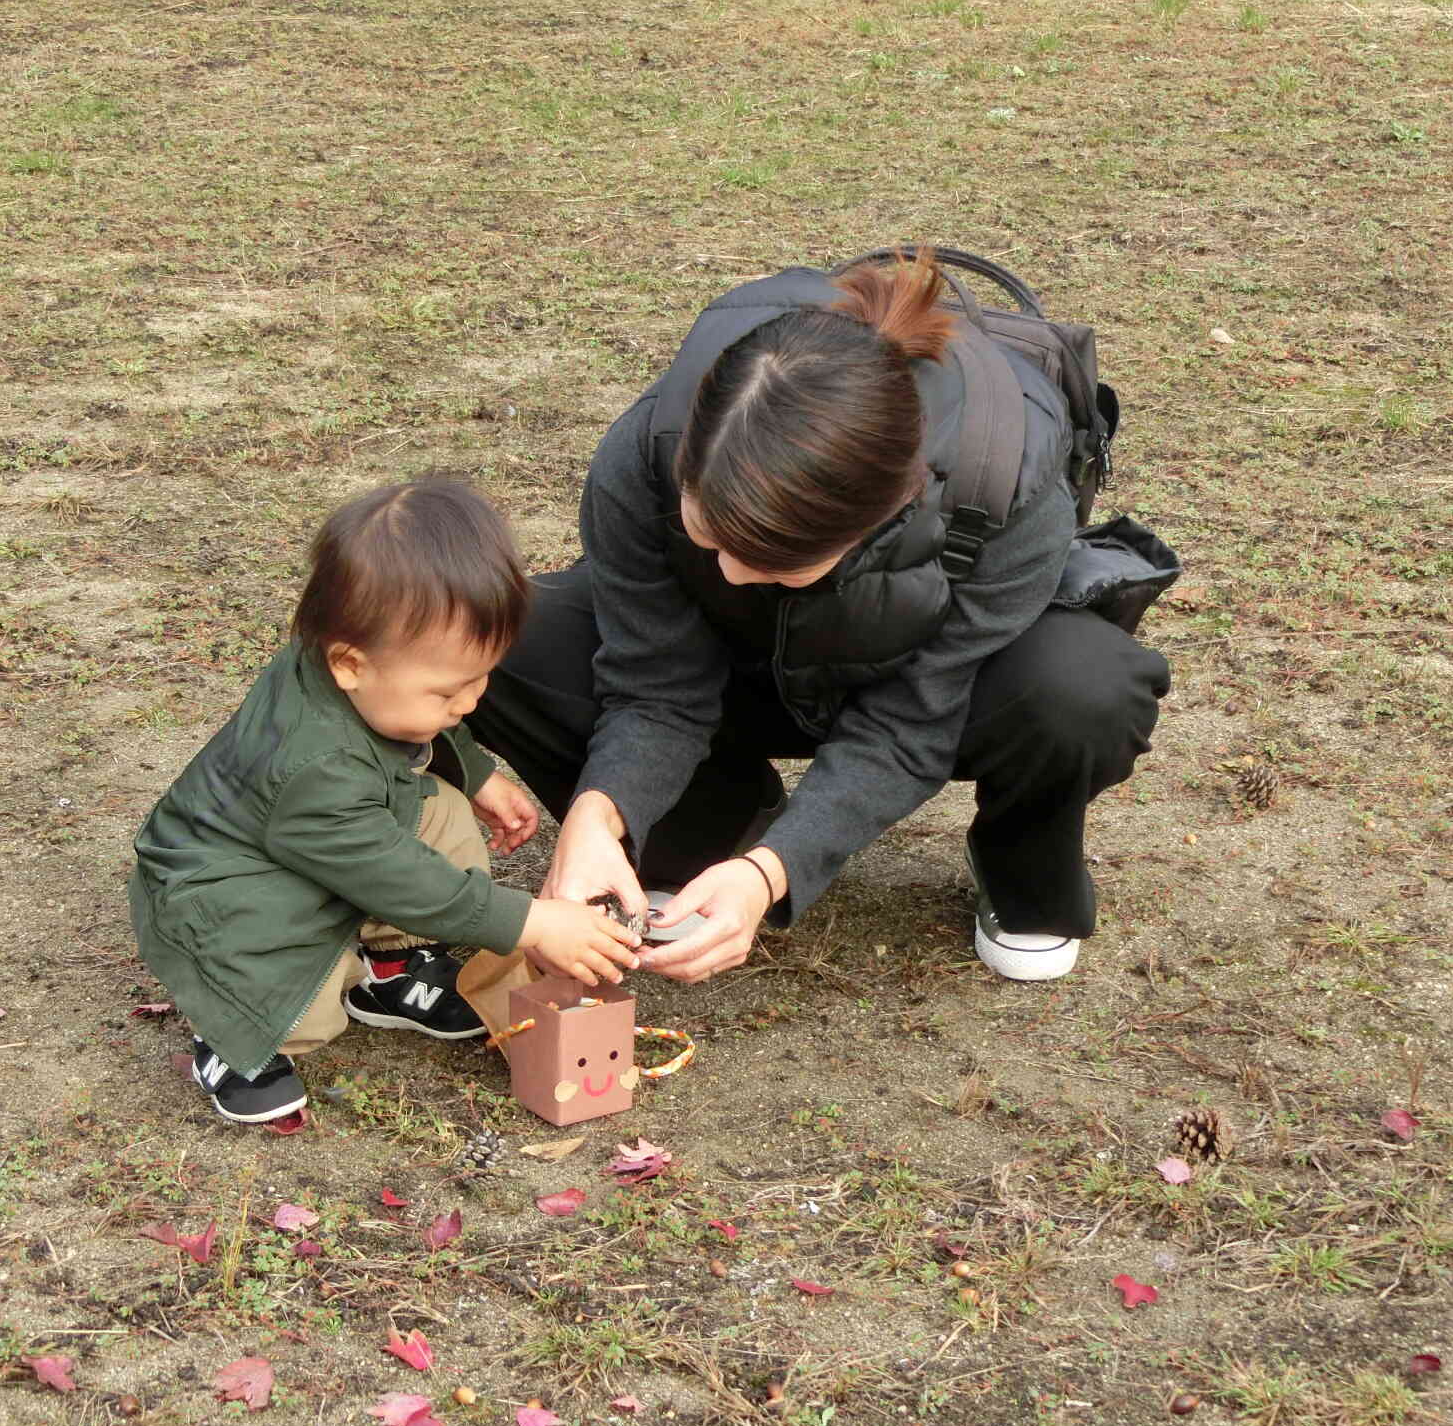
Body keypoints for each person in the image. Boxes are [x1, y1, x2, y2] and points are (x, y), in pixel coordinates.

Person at [470, 251, 1174, 985]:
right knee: (483, 634)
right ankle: (705, 836)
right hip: (736, 669)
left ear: (881, 519)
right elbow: (654, 681)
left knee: (1087, 686)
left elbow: (910, 722)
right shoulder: (644, 452)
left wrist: (774, 873)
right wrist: (594, 817)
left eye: (774, 562)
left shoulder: (1005, 486)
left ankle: (1020, 869)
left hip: (923, 682)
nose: (731, 574)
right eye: (708, 536)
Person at [128, 478, 641, 1124]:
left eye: (481, 678)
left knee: (446, 815)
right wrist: (531, 923)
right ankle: (234, 1040)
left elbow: (420, 737)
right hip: (219, 886)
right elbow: (404, 879)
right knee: (304, 999)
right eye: (448, 690)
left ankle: (391, 972)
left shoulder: (369, 665)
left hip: (314, 841)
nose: (470, 702)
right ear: (349, 664)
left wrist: (476, 773)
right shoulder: (311, 766)